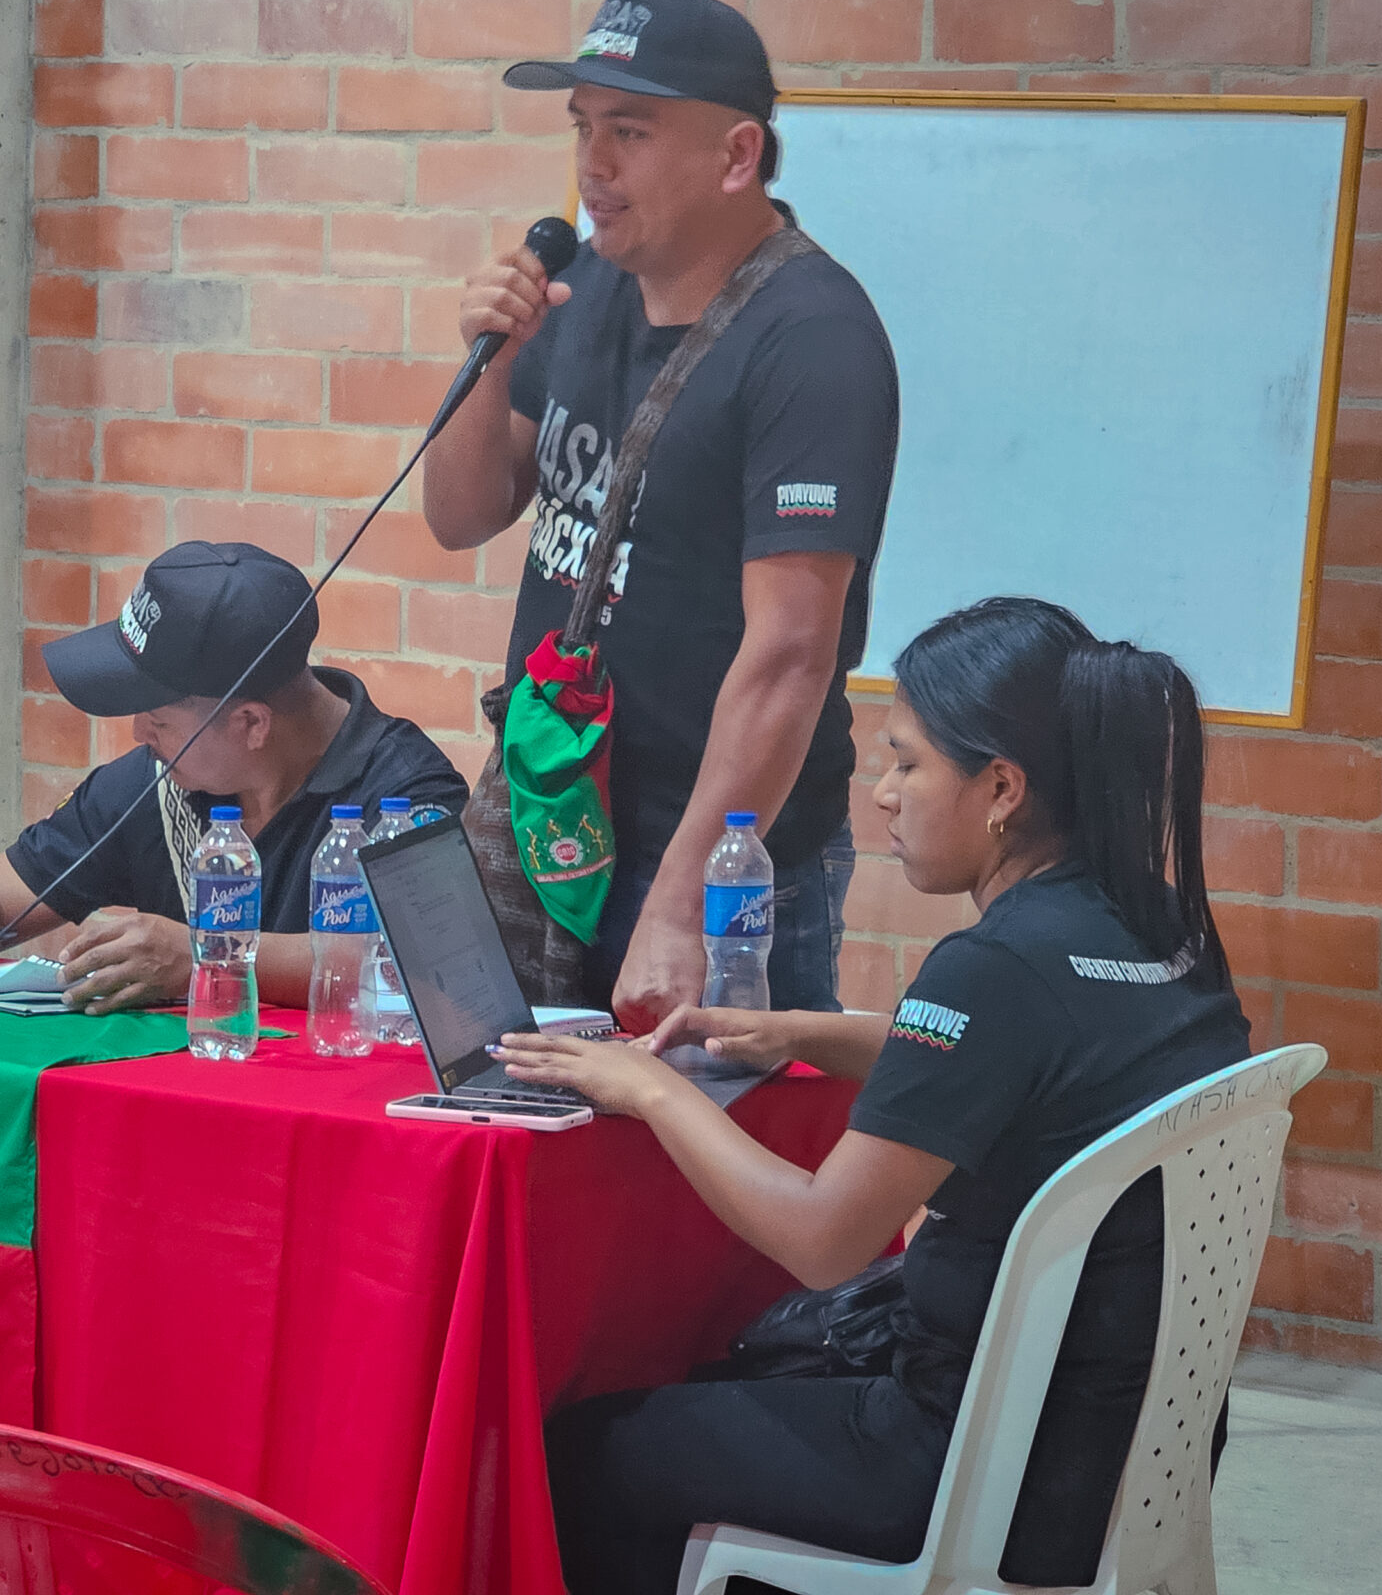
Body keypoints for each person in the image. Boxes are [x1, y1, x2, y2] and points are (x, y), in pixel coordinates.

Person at [498, 598, 1252, 1595]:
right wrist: (796, 1032)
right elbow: (1028, 1060)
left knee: (583, 1451)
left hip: (970, 1459)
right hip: (1133, 1438)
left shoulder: (990, 970)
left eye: (905, 762)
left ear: (1000, 789)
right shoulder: (1158, 926)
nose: (882, 793)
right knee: (742, 1377)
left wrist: (646, 1087)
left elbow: (821, 1241)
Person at [422, 0, 899, 1029]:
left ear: (735, 157)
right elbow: (463, 514)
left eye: (630, 133)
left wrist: (685, 903)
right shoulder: (581, 289)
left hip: (713, 864)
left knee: (700, 1168)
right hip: (558, 823)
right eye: (585, 129)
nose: (594, 167)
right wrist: (489, 363)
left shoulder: (812, 339)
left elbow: (792, 653)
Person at [0, 540, 468, 1013]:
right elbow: (1, 892)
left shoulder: (406, 790)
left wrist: (210, 957)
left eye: (157, 718)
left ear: (252, 723)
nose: (137, 735)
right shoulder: (157, 783)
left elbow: (420, 961)